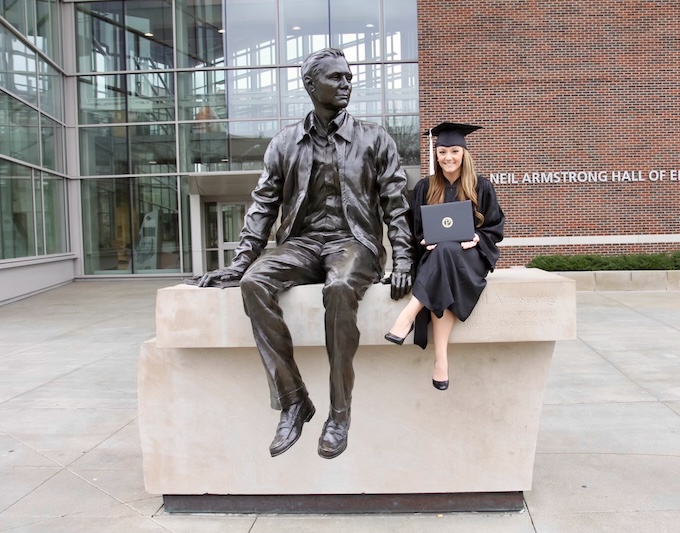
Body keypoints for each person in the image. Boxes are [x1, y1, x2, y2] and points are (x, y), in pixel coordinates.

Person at [197, 48, 414, 459]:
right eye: (337, 78)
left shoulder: (374, 138)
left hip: (354, 242)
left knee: (339, 288)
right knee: (255, 282)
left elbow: (396, 204)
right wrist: (242, 261)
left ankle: (339, 412)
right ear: (311, 85)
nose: (347, 84)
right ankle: (295, 400)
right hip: (301, 244)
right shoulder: (285, 143)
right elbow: (263, 205)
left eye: (349, 77)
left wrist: (403, 258)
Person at [384, 122, 504, 390]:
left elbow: (494, 228)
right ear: (436, 155)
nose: (448, 157)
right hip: (437, 257)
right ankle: (441, 362)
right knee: (443, 251)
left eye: (453, 151)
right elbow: (415, 229)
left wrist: (477, 238)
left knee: (448, 251)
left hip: (471, 258)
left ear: (464, 153)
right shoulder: (426, 188)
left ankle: (407, 316)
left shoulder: (481, 186)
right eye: (442, 152)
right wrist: (423, 241)